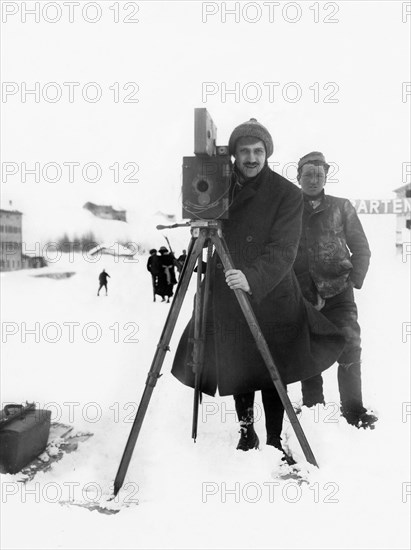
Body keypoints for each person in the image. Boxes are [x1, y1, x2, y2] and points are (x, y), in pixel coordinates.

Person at [171, 119, 345, 462]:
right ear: (234, 155)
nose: (251, 158)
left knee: (272, 368)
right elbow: (203, 216)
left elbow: (284, 249)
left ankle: (275, 438)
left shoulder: (287, 194)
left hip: (272, 292)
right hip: (227, 288)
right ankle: (247, 431)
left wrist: (251, 277)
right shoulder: (222, 187)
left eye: (258, 151)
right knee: (239, 363)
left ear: (267, 154)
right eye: (244, 151)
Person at [293, 151, 377, 429]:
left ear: (326, 176)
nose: (313, 179)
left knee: (350, 346)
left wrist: (353, 279)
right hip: (303, 294)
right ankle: (313, 409)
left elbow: (361, 248)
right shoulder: (290, 210)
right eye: (308, 174)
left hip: (339, 292)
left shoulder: (342, 207)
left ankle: (353, 411)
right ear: (298, 177)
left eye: (319, 174)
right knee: (309, 350)